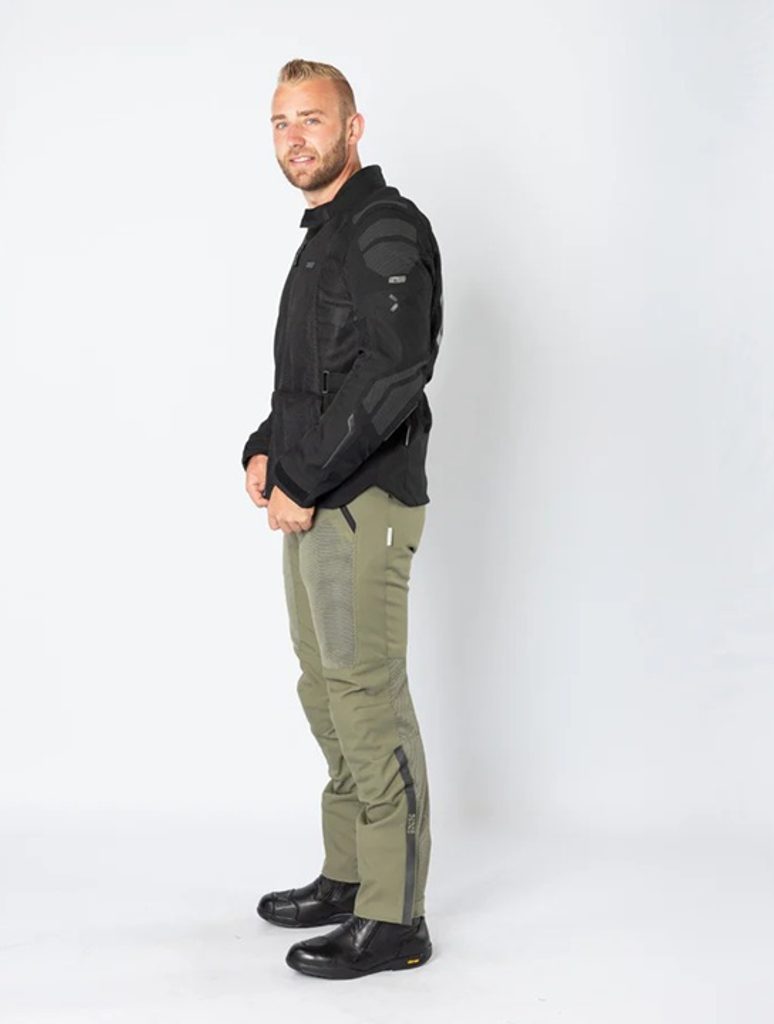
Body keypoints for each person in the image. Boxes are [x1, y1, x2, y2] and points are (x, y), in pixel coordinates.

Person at [241, 58, 443, 980]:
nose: (295, 137)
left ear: (352, 128)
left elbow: (395, 373)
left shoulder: (383, 227)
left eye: (312, 119)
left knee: (367, 695)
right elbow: (310, 378)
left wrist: (306, 474)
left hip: (364, 502)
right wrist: (263, 448)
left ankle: (395, 918)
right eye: (281, 122)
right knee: (325, 689)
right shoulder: (323, 236)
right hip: (314, 498)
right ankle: (351, 873)